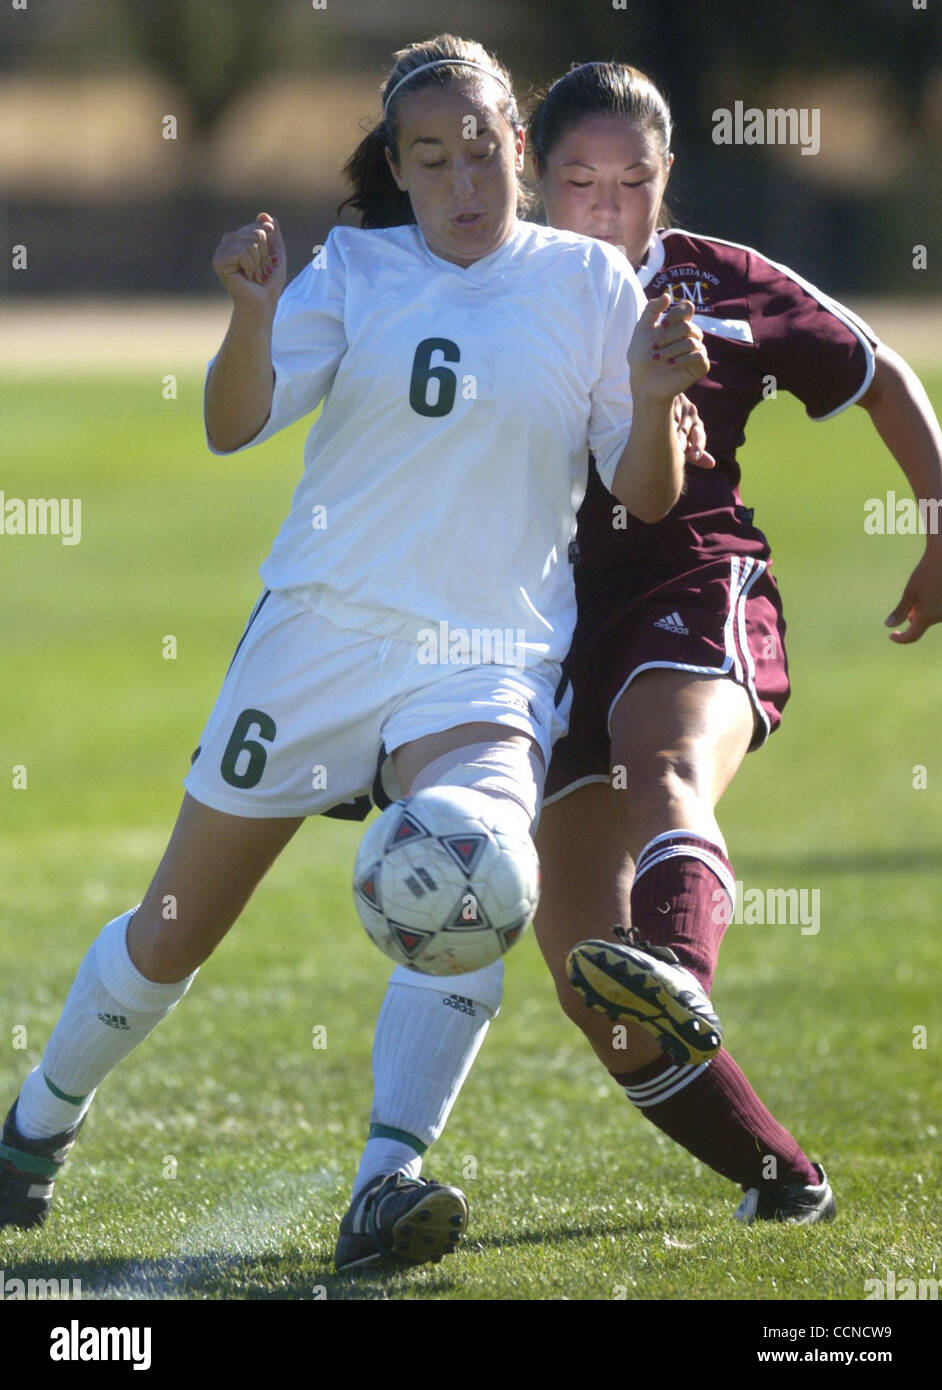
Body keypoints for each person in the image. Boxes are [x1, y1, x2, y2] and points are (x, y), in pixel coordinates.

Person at [0, 38, 709, 1272]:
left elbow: (645, 498)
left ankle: (389, 1179)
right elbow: (233, 428)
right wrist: (252, 313)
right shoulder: (355, 272)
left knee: (485, 873)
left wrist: (653, 400)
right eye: (430, 159)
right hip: (318, 640)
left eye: (482, 150)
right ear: (397, 165)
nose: (463, 181)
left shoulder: (589, 286)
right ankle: (32, 1131)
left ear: (520, 153)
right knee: (174, 926)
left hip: (482, 658)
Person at [346, 59, 942, 1257]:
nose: (607, 207)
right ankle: (784, 1177)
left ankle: (679, 963)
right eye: (578, 180)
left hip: (692, 581)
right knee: (582, 969)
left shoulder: (716, 283)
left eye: (635, 181)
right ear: (531, 171)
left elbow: (879, 375)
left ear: (667, 181)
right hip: (536, 629)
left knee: (661, 762)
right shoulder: (481, 287)